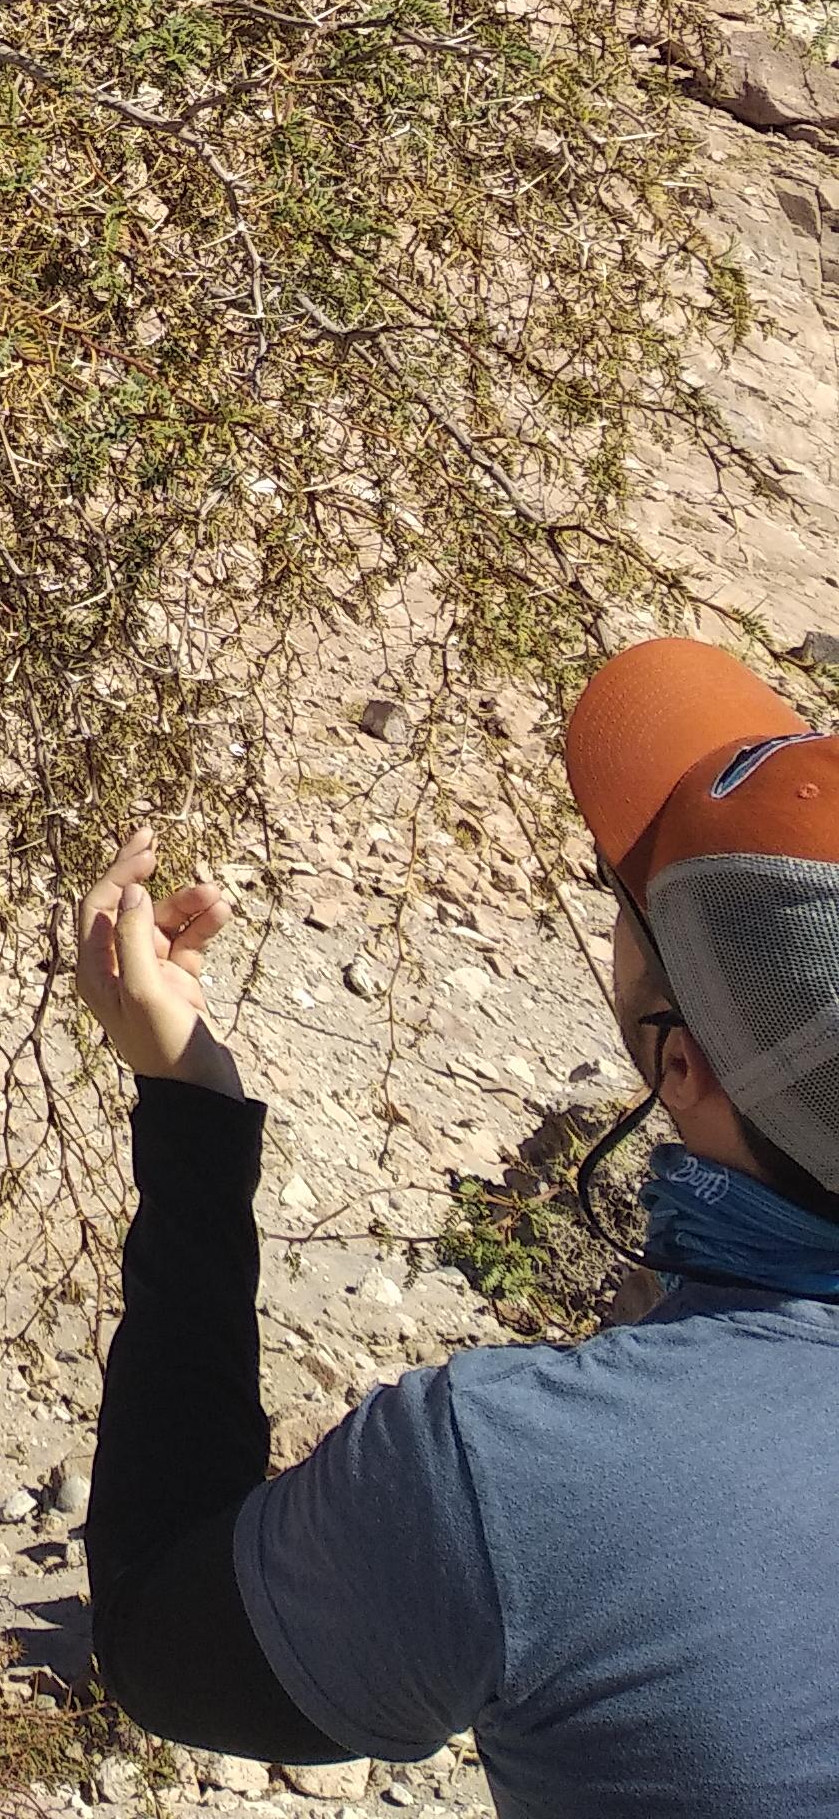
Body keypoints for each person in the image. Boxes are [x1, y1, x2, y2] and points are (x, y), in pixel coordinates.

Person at [71, 635, 839, 1815]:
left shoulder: (521, 1471)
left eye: (624, 903)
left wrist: (192, 1118)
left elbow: (157, 1630)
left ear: (679, 1066)